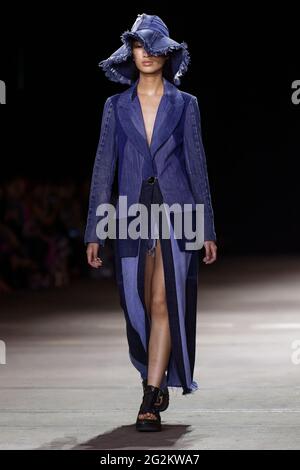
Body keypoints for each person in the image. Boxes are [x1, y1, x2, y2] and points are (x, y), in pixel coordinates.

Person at [84, 13, 217, 432]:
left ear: (167, 53)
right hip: (129, 214)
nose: (147, 53)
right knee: (135, 301)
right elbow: (104, 165)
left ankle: (150, 398)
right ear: (131, 52)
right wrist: (94, 229)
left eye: (155, 46)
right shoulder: (115, 106)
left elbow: (197, 167)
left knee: (164, 301)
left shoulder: (185, 104)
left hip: (178, 213)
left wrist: (208, 227)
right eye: (140, 45)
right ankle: (152, 376)